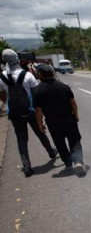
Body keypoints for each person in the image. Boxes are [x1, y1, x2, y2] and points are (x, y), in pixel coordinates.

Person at [0, 49, 57, 177]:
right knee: (40, 132)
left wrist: (10, 102)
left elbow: (2, 96)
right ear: (17, 59)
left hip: (15, 112)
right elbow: (35, 93)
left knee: (21, 139)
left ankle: (26, 165)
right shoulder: (27, 75)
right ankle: (51, 152)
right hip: (29, 110)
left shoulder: (2, 77)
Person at [33, 64, 86, 177]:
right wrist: (76, 115)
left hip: (53, 122)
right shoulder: (63, 86)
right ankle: (78, 161)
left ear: (41, 75)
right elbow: (73, 103)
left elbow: (38, 110)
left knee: (59, 142)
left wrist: (40, 124)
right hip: (68, 119)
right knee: (74, 140)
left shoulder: (37, 91)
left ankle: (68, 163)